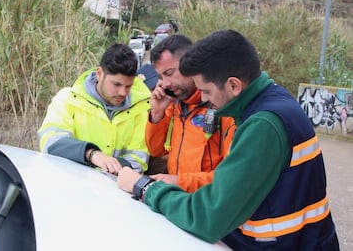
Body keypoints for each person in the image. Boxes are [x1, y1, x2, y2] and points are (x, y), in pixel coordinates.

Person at [117, 30, 339, 250]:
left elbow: (208, 217)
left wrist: (146, 188)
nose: (203, 98)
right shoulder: (274, 100)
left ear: (233, 85)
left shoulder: (262, 125)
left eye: (206, 91)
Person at [38, 43, 151, 174]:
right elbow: (50, 141)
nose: (122, 92)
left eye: (128, 86)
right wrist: (91, 154)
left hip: (115, 187)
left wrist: (109, 170)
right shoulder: (67, 99)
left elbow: (138, 160)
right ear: (99, 73)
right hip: (70, 184)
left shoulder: (142, 108)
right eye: (116, 84)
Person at [144, 34, 235, 192]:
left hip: (207, 200)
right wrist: (157, 113)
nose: (165, 83)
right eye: (161, 77)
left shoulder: (223, 106)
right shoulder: (174, 103)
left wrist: (180, 181)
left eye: (170, 73)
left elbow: (231, 175)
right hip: (177, 197)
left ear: (190, 64)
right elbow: (156, 150)